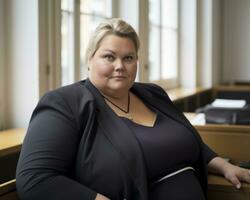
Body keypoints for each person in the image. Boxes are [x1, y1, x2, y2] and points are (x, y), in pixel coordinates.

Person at [16, 18, 250, 200]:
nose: (120, 66)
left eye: (128, 58)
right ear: (89, 59)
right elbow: (35, 178)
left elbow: (190, 141)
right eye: (109, 57)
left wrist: (223, 165)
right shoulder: (65, 103)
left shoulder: (153, 94)